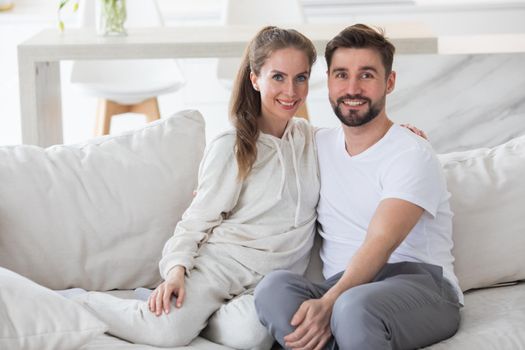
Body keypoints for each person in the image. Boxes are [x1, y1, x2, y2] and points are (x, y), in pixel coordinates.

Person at [73, 26, 320, 348]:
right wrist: (176, 270)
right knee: (166, 333)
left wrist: (403, 133)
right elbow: (198, 218)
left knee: (254, 338)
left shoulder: (311, 139)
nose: (291, 90)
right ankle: (80, 301)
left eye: (300, 77)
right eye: (278, 77)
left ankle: (195, 318)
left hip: (267, 283)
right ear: (255, 78)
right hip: (220, 269)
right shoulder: (232, 145)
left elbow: (360, 144)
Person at [254, 24, 463, 350]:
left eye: (366, 75)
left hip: (421, 286)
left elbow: (382, 241)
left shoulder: (411, 153)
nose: (352, 87)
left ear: (389, 82)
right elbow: (263, 151)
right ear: (329, 83)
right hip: (345, 287)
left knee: (352, 309)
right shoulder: (317, 143)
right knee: (274, 288)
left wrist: (331, 302)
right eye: (341, 75)